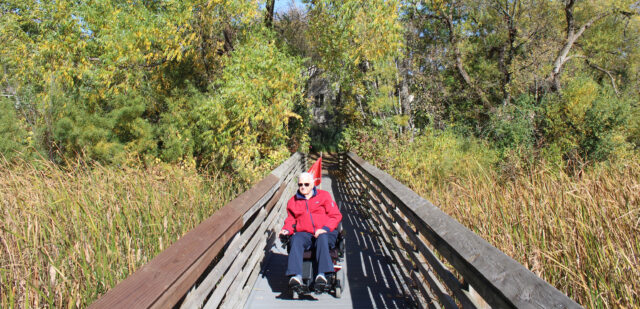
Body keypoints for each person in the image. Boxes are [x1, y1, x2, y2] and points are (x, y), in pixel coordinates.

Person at [279, 172, 342, 291]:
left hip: (326, 232)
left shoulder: (324, 196)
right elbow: (290, 220)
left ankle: (322, 275)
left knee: (322, 237)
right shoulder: (293, 201)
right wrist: (286, 230)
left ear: (313, 184)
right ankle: (295, 276)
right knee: (296, 238)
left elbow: (336, 216)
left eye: (307, 184)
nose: (303, 187)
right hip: (306, 233)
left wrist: (325, 229)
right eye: (300, 184)